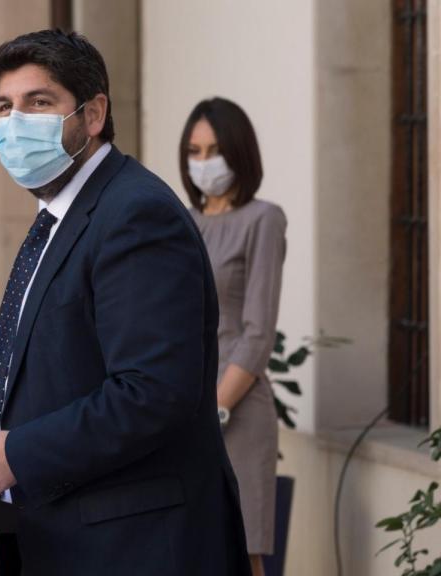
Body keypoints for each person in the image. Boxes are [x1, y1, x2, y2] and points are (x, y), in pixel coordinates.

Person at [0, 29, 251, 575]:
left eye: (38, 103)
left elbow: (152, 393)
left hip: (135, 546)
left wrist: (15, 454)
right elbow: (62, 376)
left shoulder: (136, 215)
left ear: (93, 116)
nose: (15, 123)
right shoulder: (63, 216)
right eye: (5, 106)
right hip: (68, 537)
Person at [181, 97, 286, 576]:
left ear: (240, 152)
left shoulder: (263, 219)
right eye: (195, 151)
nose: (204, 163)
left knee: (243, 553)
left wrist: (214, 407)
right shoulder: (181, 221)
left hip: (236, 413)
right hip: (178, 411)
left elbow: (259, 332)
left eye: (215, 150)